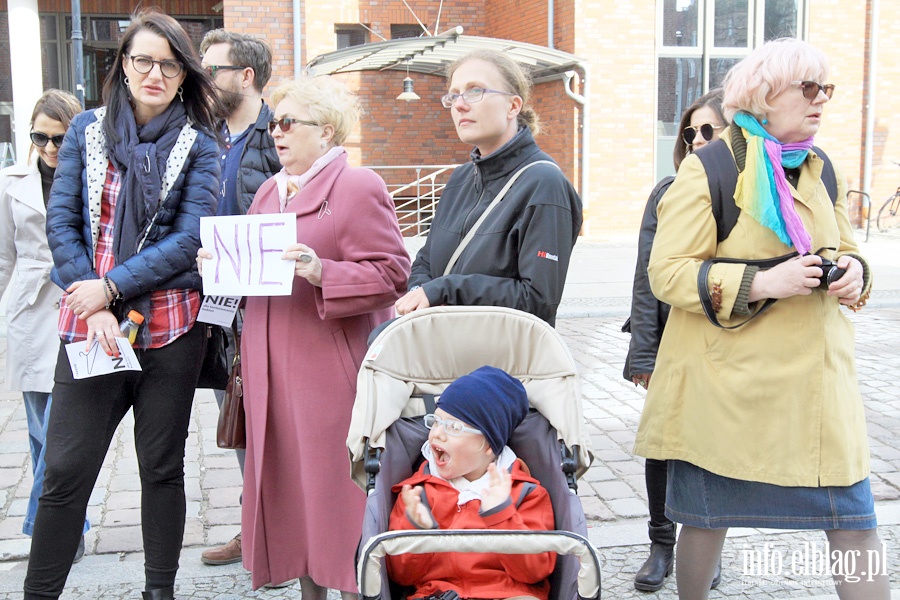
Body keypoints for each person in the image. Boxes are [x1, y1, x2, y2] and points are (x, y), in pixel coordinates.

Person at [633, 38, 887, 600]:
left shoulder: (821, 169)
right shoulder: (710, 168)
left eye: (827, 89)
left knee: (855, 518)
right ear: (763, 95)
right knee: (705, 518)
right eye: (808, 88)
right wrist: (763, 282)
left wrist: (853, 273)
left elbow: (851, 249)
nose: (821, 100)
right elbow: (668, 273)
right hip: (728, 391)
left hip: (817, 394)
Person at [24, 9, 221, 600]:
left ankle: (158, 591)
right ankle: (40, 592)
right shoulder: (84, 131)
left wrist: (111, 288)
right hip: (91, 328)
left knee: (162, 468)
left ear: (183, 74)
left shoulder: (201, 145)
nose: (154, 73)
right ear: (124, 66)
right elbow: (62, 224)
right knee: (63, 471)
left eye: (168, 63)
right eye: (143, 60)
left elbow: (189, 239)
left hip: (170, 329)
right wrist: (95, 301)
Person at [198, 75, 409, 595]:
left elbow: (393, 273)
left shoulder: (358, 186)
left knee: (335, 495)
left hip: (327, 374)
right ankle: (308, 589)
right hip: (270, 367)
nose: (277, 132)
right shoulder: (271, 190)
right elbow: (255, 274)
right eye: (274, 123)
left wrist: (323, 273)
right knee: (290, 493)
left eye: (289, 123)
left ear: (328, 130)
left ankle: (353, 585)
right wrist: (222, 266)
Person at [394, 49, 582, 327]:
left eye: (474, 91)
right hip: (443, 353)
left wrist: (445, 290)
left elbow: (538, 300)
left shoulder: (544, 184)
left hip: (501, 362)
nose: (459, 105)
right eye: (454, 94)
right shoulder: (460, 179)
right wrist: (420, 294)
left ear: (513, 106)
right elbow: (425, 261)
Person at [623, 89, 726, 593]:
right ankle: (661, 545)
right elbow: (646, 278)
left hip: (723, 342)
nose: (697, 140)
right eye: (690, 132)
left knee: (712, 448)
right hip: (668, 341)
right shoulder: (667, 190)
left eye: (710, 131)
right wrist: (642, 353)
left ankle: (705, 546)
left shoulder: (749, 193)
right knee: (662, 448)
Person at [197, 27, 281, 569]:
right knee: (237, 422)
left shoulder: (281, 134)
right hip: (218, 308)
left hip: (271, 307)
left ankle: (278, 540)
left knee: (276, 426)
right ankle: (257, 532)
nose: (202, 80)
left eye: (212, 71)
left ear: (245, 77)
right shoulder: (204, 136)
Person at [0, 89, 90, 561]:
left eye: (59, 138)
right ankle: (70, 528)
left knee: (64, 431)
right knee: (40, 431)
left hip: (80, 305)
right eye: (40, 137)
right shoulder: (10, 181)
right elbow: (2, 258)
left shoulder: (93, 177)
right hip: (29, 312)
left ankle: (44, 525)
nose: (51, 148)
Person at [386, 366, 556, 600]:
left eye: (453, 427)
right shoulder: (418, 493)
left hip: (505, 592)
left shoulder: (525, 493)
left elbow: (535, 571)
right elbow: (401, 577)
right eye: (435, 422)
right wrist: (420, 534)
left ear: (488, 444)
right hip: (438, 594)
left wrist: (502, 516)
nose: (437, 434)